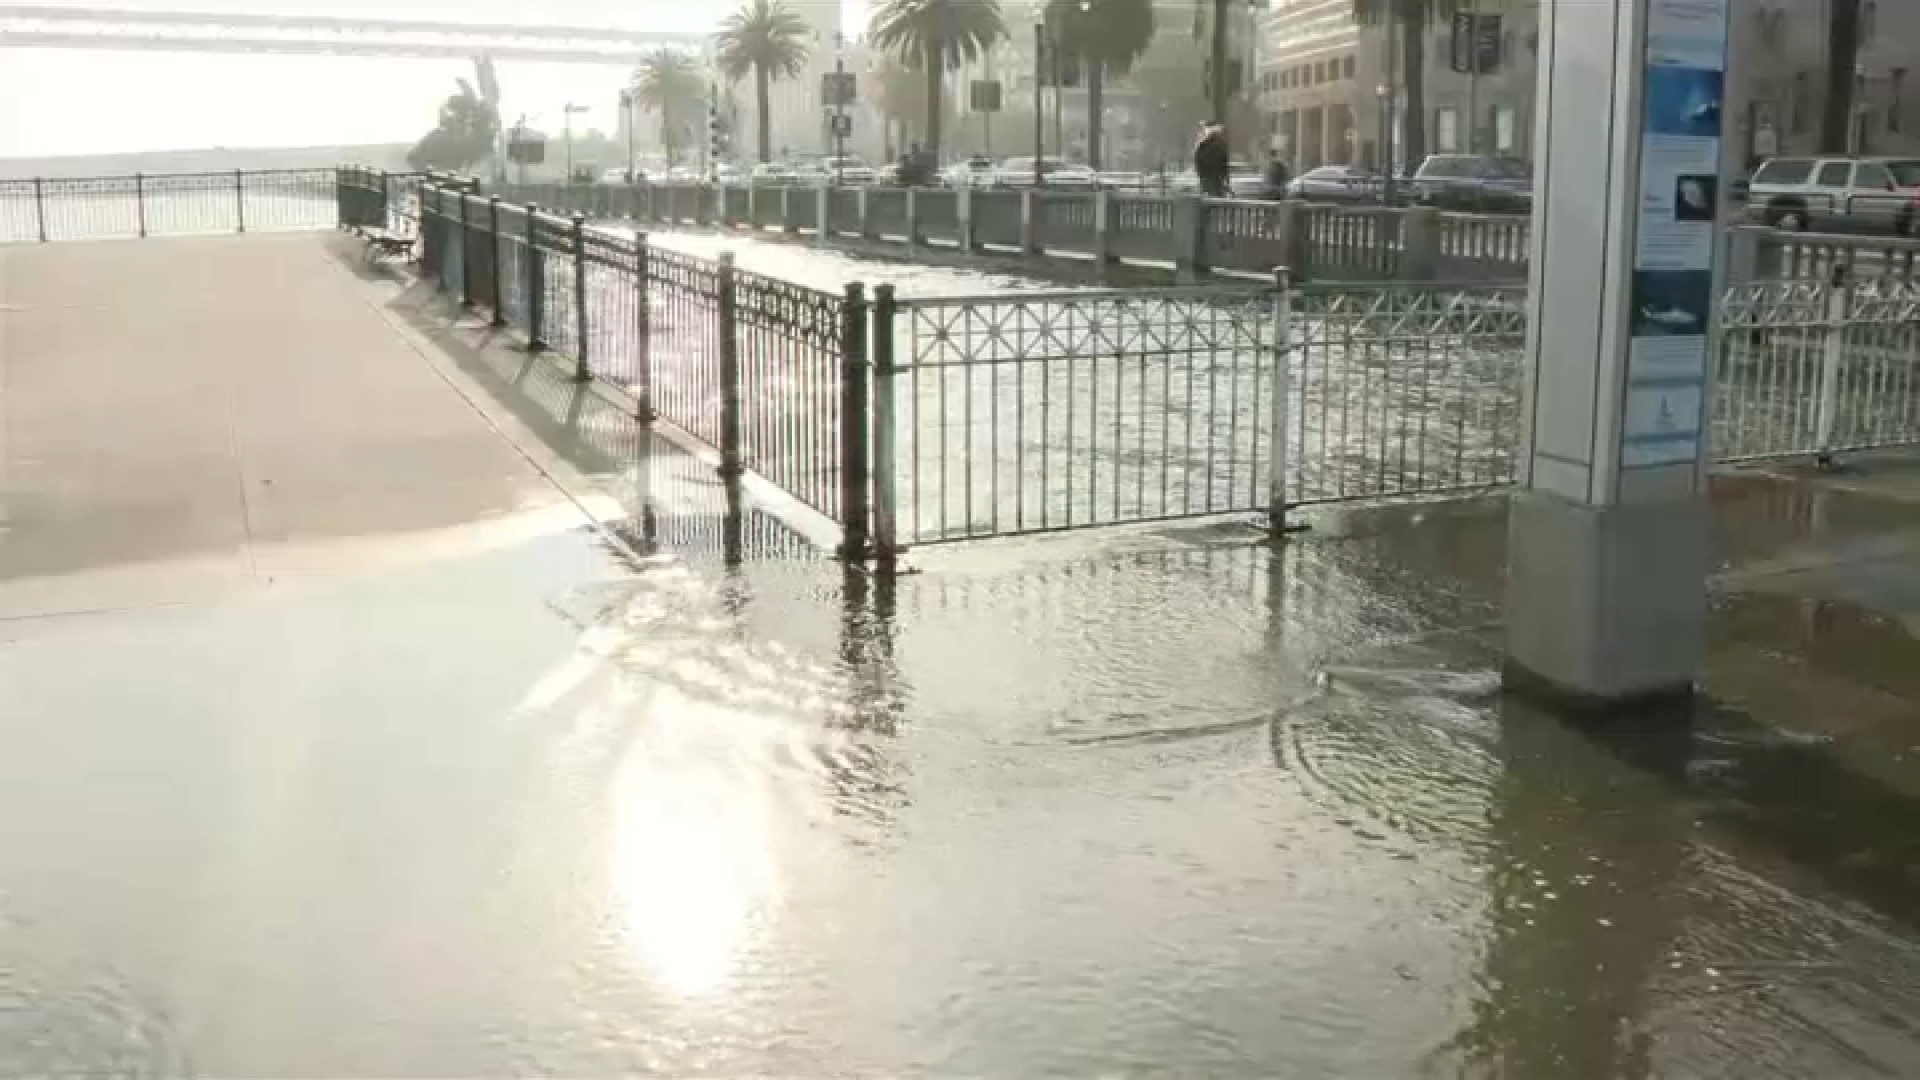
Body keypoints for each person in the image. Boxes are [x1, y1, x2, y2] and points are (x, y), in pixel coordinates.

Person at [1193, 123, 1230, 198]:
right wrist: (1224, 179)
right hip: (1213, 180)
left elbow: (1199, 166)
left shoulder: (1201, 147)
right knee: (1215, 199)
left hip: (1209, 180)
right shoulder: (1217, 148)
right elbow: (1223, 166)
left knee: (1211, 200)